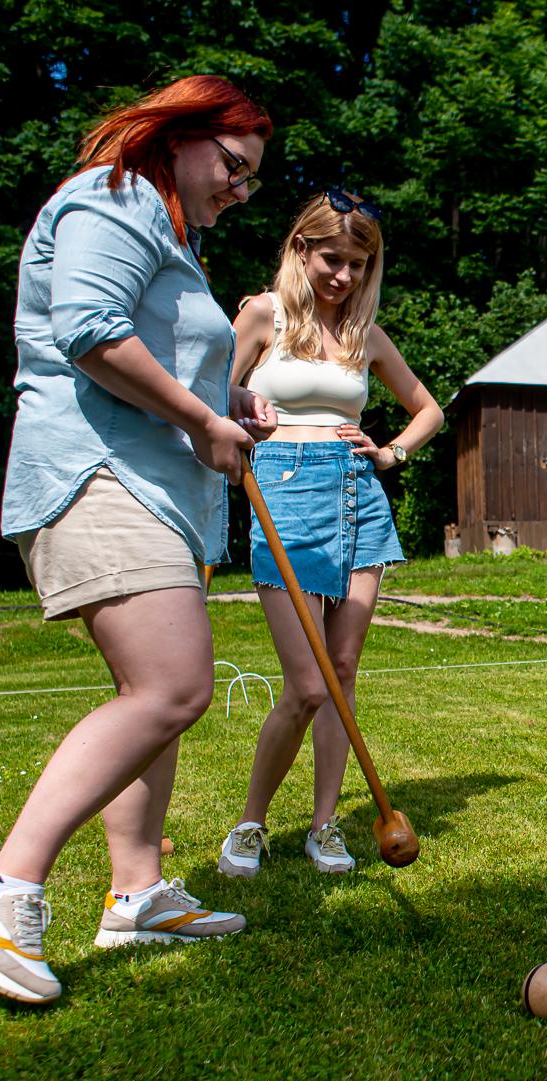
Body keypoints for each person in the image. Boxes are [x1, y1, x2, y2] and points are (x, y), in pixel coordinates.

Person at [0, 75, 276, 1006]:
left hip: (153, 492)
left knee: (152, 693)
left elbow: (159, 354)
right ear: (179, 136)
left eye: (251, 182)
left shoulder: (171, 238)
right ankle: (0, 890)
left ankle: (136, 893)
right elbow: (86, 331)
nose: (238, 193)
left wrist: (232, 403)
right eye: (232, 167)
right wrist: (203, 417)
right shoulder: (115, 196)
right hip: (97, 477)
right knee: (172, 687)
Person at [216, 189, 444, 877]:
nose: (343, 275)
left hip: (357, 493)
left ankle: (324, 826)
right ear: (300, 249)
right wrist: (240, 406)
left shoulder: (365, 336)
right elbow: (205, 390)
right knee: (307, 683)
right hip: (284, 492)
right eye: (331, 259)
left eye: (357, 263)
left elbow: (427, 408)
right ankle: (251, 822)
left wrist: (391, 453)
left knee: (341, 675)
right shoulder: (262, 315)